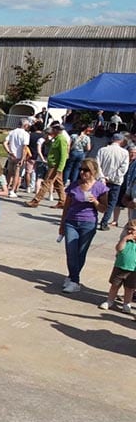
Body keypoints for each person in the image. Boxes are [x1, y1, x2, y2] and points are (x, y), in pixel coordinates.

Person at [59, 158, 109, 294]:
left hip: (88, 223)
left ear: (93, 171)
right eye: (81, 169)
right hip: (71, 221)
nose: (82, 172)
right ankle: (74, 279)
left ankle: (73, 278)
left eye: (85, 170)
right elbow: (66, 206)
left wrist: (95, 202)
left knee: (81, 252)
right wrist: (62, 224)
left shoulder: (100, 187)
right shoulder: (74, 185)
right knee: (71, 251)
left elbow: (104, 209)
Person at [98, 219, 136, 315]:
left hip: (132, 270)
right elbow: (119, 249)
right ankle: (110, 301)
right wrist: (124, 239)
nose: (130, 231)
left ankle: (126, 304)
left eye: (133, 230)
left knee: (129, 288)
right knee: (115, 285)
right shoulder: (125, 240)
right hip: (119, 267)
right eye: (128, 229)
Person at [26, 125, 69, 208]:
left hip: (55, 165)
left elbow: (64, 155)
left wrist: (60, 168)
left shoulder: (61, 139)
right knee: (58, 184)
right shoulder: (55, 139)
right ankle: (62, 201)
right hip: (52, 164)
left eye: (53, 129)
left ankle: (36, 200)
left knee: (47, 182)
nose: (51, 131)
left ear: (57, 130)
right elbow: (48, 145)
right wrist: (47, 139)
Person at [97, 132, 129, 230]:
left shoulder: (102, 150)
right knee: (111, 202)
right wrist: (110, 177)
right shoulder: (124, 153)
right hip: (115, 181)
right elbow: (123, 169)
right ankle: (104, 222)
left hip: (101, 180)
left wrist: (102, 177)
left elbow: (97, 165)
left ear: (112, 139)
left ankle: (93, 218)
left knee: (97, 199)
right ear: (121, 141)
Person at [4, 119, 31, 198]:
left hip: (11, 156)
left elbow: (5, 143)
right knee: (17, 174)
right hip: (19, 156)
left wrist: (9, 152)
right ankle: (12, 190)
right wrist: (22, 159)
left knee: (9, 173)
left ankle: (6, 188)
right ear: (25, 125)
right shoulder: (25, 134)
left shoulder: (12, 132)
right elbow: (24, 147)